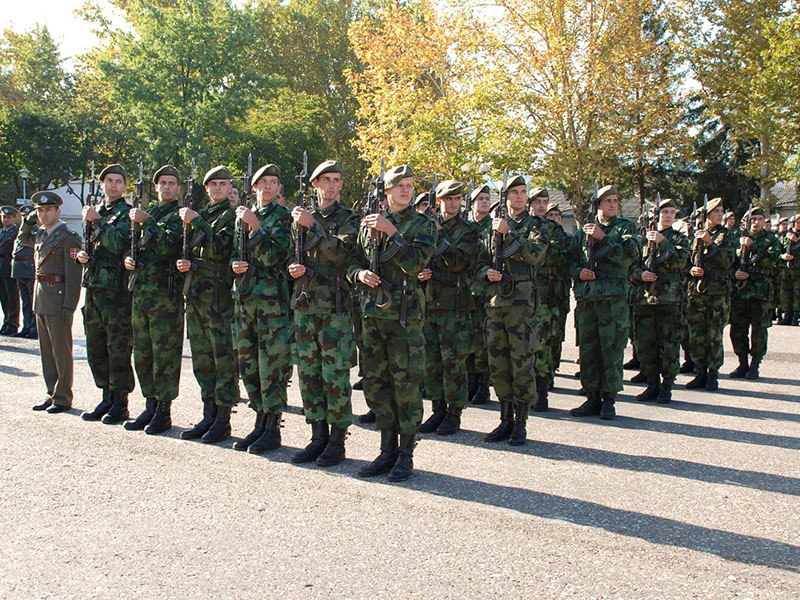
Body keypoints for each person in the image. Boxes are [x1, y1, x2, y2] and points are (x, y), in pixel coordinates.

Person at [348, 165, 436, 481]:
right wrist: (359, 274)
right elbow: (353, 260)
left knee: (406, 386)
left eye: (410, 185)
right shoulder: (368, 224)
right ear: (386, 192)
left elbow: (415, 263)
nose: (406, 190)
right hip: (372, 315)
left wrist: (392, 233)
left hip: (404, 318)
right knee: (377, 383)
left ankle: (406, 454)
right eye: (400, 185)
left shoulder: (423, 225)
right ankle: (386, 451)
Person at [288, 160, 359, 465]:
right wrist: (293, 268)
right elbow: (291, 253)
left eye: (336, 180)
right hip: (304, 304)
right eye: (325, 180)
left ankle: (337, 441)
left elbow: (342, 253)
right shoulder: (300, 218)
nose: (331, 185)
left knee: (335, 375)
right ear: (314, 184)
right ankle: (317, 436)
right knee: (309, 375)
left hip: (334, 307)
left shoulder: (349, 218)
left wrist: (313, 227)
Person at [474, 174, 547, 444]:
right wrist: (486, 273)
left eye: (522, 192)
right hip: (496, 305)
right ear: (505, 197)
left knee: (522, 365)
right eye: (514, 192)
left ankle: (520, 422)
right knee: (498, 365)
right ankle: (505, 418)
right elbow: (478, 262)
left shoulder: (536, 224)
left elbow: (536, 255)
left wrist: (510, 234)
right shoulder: (491, 227)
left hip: (522, 307)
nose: (519, 196)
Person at [230, 163, 292, 454]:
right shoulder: (242, 215)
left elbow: (273, 256)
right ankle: (259, 421)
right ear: (254, 187)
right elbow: (236, 250)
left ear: (279, 188)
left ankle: (272, 427)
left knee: (272, 366)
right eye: (262, 182)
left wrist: (255, 226)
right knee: (248, 365)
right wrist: (235, 264)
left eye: (273, 182)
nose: (268, 187)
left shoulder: (283, 217)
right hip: (245, 299)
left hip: (271, 303)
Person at [176, 165, 239, 443]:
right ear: (206, 188)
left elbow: (220, 250)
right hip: (197, 295)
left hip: (218, 298)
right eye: (213, 184)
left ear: (230, 188)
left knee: (222, 359)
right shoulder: (202, 214)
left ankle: (223, 420)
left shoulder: (231, 216)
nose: (218, 188)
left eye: (223, 184)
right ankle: (208, 414)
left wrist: (198, 222)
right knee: (202, 359)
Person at [567, 185, 639, 419]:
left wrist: (604, 239)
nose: (612, 205)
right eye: (608, 201)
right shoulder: (583, 232)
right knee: (588, 351)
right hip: (588, 300)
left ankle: (609, 399)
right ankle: (591, 397)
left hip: (613, 301)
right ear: (597, 205)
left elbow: (628, 258)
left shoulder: (625, 228)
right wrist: (578, 272)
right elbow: (570, 260)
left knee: (611, 350)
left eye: (615, 201)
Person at [123, 165, 184, 434]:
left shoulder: (179, 215)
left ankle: (163, 410)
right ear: (155, 186)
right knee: (143, 353)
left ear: (178, 188)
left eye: (171, 183)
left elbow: (168, 247)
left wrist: (146, 221)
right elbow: (135, 245)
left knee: (165, 354)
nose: (167, 187)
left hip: (165, 296)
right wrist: (129, 258)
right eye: (162, 183)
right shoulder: (149, 213)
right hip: (141, 293)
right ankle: (149, 404)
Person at [418, 180, 480, 436]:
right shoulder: (426, 225)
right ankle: (438, 408)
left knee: (453, 361)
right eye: (448, 199)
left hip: (455, 305)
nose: (453, 203)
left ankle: (454, 413)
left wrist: (440, 234)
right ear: (439, 201)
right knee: (432, 361)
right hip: (430, 301)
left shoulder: (468, 230)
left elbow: (460, 262)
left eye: (457, 198)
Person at [76, 163, 135, 424]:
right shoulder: (95, 210)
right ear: (102, 185)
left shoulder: (127, 213)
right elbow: (89, 244)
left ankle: (120, 402)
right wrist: (81, 255)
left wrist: (97, 222)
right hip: (94, 287)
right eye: (109, 181)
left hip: (116, 291)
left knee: (118, 347)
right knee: (96, 346)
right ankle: (106, 396)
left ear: (124, 186)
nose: (113, 185)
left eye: (118, 181)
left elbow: (120, 244)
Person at [18, 191, 82, 412]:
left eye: (48, 210)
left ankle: (63, 396)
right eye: (40, 211)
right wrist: (28, 221)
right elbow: (22, 239)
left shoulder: (68, 236)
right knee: (46, 350)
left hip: (58, 297)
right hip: (41, 297)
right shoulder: (41, 234)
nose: (44, 215)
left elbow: (74, 275)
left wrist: (70, 305)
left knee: (61, 351)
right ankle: (51, 392)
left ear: (58, 211)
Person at [628, 198, 690, 403]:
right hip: (645, 299)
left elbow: (680, 262)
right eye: (665, 212)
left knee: (669, 344)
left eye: (672, 212)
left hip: (670, 300)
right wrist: (640, 275)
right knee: (646, 344)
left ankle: (667, 385)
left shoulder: (679, 239)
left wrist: (663, 242)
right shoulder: (641, 240)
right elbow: (630, 267)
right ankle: (652, 383)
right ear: (656, 215)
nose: (669, 215)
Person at [685, 197, 737, 391]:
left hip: (716, 293)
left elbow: (728, 262)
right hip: (696, 293)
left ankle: (713, 373)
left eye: (721, 212)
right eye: (716, 212)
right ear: (706, 215)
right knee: (696, 335)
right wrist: (691, 270)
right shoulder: (694, 235)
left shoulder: (727, 235)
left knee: (714, 336)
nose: (720, 215)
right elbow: (685, 262)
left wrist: (710, 243)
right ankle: (700, 371)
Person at [528, 188, 570, 410]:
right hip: (521, 294)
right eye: (538, 202)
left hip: (547, 296)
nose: (542, 206)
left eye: (545, 202)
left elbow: (553, 256)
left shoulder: (555, 230)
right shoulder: (522, 225)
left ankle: (542, 391)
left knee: (543, 344)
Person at [728, 207, 781, 379]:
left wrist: (752, 247)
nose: (755, 222)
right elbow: (727, 263)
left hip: (759, 292)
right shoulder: (737, 239)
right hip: (739, 292)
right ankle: (742, 363)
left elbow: (770, 261)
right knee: (737, 330)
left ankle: (755, 364)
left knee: (759, 330)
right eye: (752, 219)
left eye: (759, 219)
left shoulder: (770, 240)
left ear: (764, 221)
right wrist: (734, 274)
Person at [466, 185, 492, 405]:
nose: (484, 202)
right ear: (472, 204)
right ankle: (470, 381)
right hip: (466, 291)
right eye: (480, 199)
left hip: (485, 291)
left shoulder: (494, 227)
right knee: (467, 338)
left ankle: (484, 385)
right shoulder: (466, 228)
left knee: (485, 340)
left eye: (487, 198)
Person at [545, 201, 572, 388]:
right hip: (542, 292)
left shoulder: (567, 239)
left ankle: (553, 367)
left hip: (560, 293)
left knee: (556, 335)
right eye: (550, 215)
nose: (553, 218)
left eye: (556, 215)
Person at [12, 205, 37, 338]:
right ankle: (26, 326)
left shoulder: (36, 230)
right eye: (24, 216)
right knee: (25, 301)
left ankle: (34, 327)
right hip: (20, 269)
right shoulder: (20, 231)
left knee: (33, 301)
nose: (26, 218)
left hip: (30, 268)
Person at [0, 205, 21, 335]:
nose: (6, 219)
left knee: (12, 296)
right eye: (4, 217)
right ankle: (6, 321)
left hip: (9, 266)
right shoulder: (1, 232)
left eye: (9, 217)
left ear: (14, 218)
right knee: (3, 297)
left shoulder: (16, 232)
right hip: (1, 266)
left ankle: (13, 324)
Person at [778, 215, 800, 326]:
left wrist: (797, 242)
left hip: (798, 270)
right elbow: (777, 250)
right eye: (797, 222)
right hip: (785, 269)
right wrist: (782, 256)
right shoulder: (784, 236)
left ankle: (795, 317)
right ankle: (787, 316)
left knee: (797, 293)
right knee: (785, 293)